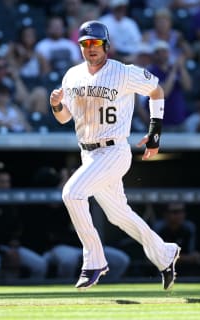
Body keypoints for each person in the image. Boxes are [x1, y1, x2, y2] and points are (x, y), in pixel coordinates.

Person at [49, 20, 181, 290]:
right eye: (86, 43)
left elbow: (156, 90)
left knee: (71, 194)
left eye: (96, 43)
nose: (91, 48)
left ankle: (94, 261)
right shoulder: (72, 75)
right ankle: (164, 253)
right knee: (118, 215)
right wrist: (56, 105)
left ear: (106, 45)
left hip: (114, 149)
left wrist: (155, 130)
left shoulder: (123, 72)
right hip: (88, 153)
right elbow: (64, 118)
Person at [0, 162, 47, 281]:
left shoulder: (12, 204)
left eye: (7, 182)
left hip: (8, 248)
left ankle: (31, 295)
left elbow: (17, 229)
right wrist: (1, 250)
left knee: (40, 264)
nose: (6, 185)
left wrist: (14, 244)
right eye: (2, 182)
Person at [153, 203, 200, 274]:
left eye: (181, 211)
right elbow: (156, 257)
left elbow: (195, 256)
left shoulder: (189, 228)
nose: (179, 215)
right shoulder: (159, 228)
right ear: (165, 214)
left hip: (186, 270)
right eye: (175, 212)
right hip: (162, 271)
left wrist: (174, 257)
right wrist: (186, 258)